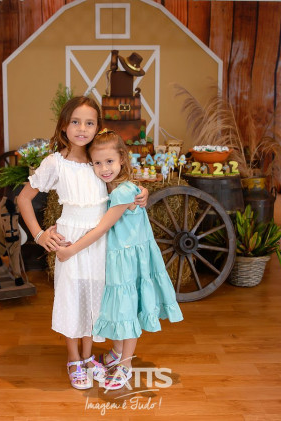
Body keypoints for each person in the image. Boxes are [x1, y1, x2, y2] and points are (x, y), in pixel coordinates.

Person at [17, 97, 148, 390]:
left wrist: (142, 192)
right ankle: (73, 358)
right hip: (71, 239)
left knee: (94, 297)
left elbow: (123, 184)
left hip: (101, 240)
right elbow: (24, 198)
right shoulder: (55, 163)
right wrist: (39, 235)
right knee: (72, 296)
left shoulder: (98, 159)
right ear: (64, 125)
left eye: (89, 123)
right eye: (75, 122)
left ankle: (89, 357)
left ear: (98, 127)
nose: (82, 128)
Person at [56, 129, 183, 390]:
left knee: (127, 308)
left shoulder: (124, 191)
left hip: (128, 258)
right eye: (98, 163)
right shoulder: (110, 186)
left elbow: (102, 228)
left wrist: (71, 250)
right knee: (119, 306)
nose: (104, 168)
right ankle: (116, 352)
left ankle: (126, 364)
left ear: (122, 159)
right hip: (117, 256)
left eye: (110, 161)